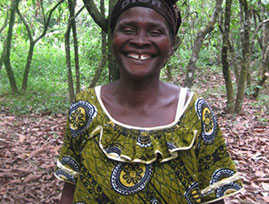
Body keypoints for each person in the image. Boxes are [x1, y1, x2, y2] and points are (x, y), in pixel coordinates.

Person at [54, 0, 243, 203]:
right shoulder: (86, 107)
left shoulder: (195, 112)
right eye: (128, 29)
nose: (140, 40)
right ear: (112, 38)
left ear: (172, 44)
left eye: (155, 31)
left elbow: (213, 196)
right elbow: (70, 190)